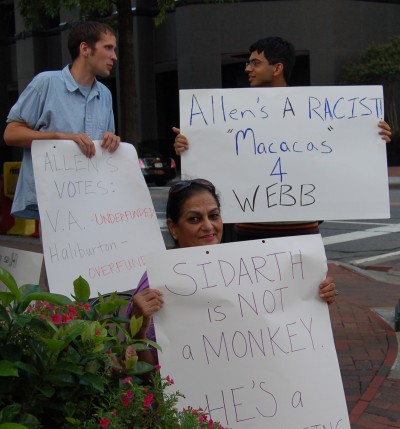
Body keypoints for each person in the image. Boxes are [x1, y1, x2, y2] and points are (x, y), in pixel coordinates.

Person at [172, 36, 392, 240]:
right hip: (247, 231)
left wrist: (373, 136)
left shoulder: (312, 111)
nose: (248, 69)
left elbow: (342, 151)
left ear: (277, 68)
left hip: (302, 230)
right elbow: (215, 161)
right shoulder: (229, 113)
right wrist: (188, 147)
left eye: (255, 63)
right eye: (248, 63)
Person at [129, 178, 338, 365]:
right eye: (194, 219)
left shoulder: (246, 269)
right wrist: (137, 328)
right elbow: (145, 374)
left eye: (214, 216)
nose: (208, 226)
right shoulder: (156, 283)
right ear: (173, 228)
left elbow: (284, 323)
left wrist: (314, 295)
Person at [3, 21, 120, 220]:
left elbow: (104, 151)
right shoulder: (46, 83)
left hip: (93, 201)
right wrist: (58, 137)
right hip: (53, 205)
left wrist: (112, 140)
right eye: (108, 47)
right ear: (84, 48)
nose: (114, 56)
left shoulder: (105, 94)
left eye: (114, 49)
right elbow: (11, 133)